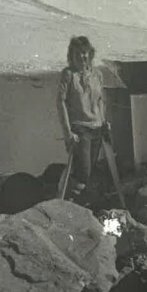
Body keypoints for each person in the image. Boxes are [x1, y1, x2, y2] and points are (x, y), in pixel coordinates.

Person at [57, 35, 109, 198]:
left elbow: (100, 100)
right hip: (80, 129)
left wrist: (104, 120)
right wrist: (67, 133)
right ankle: (64, 194)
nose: (82, 56)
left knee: (91, 171)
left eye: (85, 52)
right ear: (71, 55)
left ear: (90, 54)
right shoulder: (68, 75)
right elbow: (61, 103)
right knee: (84, 171)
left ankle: (83, 203)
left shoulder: (97, 74)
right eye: (78, 53)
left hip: (97, 128)